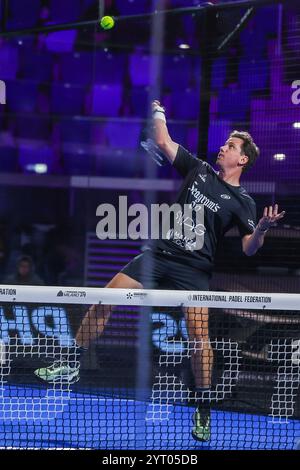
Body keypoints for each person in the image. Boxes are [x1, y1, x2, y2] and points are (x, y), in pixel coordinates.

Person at [34, 100, 285, 442]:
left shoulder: (243, 202)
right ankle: (73, 363)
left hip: (194, 270)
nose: (222, 148)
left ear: (242, 159)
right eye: (224, 143)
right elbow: (164, 140)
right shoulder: (198, 170)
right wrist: (159, 111)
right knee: (104, 298)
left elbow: (248, 248)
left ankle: (203, 407)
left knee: (200, 339)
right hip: (160, 255)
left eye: (230, 146)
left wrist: (262, 229)